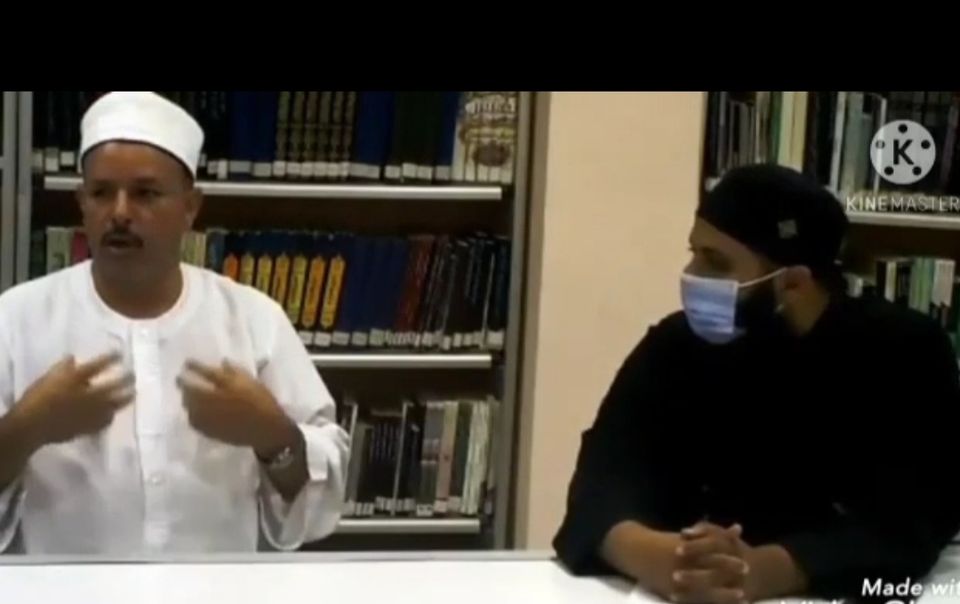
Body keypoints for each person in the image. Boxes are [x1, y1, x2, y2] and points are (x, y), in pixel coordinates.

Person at [553, 164, 960, 603]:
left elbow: (913, 521)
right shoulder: (676, 344)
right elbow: (602, 479)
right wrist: (664, 560)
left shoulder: (904, 352)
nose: (692, 273)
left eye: (715, 262)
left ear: (794, 283)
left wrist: (767, 570)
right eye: (694, 252)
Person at [0, 91, 349, 554]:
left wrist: (273, 437)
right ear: (81, 203)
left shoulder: (252, 319)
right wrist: (29, 427)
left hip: (216, 587)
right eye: (101, 193)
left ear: (190, 206)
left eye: (145, 193)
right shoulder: (16, 319)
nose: (119, 212)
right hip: (64, 589)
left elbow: (324, 499)